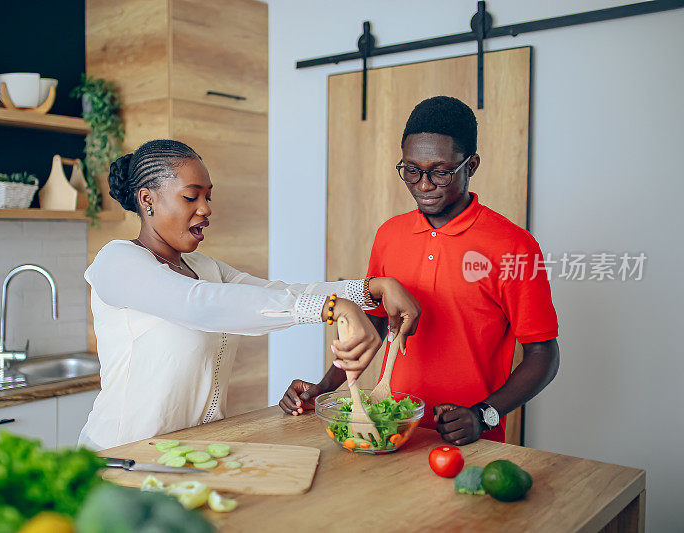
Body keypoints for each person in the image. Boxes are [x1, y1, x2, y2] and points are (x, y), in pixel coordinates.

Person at [79, 139, 420, 450]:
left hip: (190, 454)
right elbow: (197, 304)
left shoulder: (204, 268)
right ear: (147, 199)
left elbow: (280, 293)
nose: (206, 208)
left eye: (208, 196)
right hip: (119, 458)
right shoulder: (118, 261)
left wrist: (372, 288)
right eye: (191, 196)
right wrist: (335, 309)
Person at [279, 96, 560, 445]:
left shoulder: (515, 246)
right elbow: (376, 324)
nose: (424, 185)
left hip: (469, 439)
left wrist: (484, 414)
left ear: (471, 166)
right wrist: (322, 389)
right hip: (391, 430)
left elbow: (543, 355)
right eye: (411, 170)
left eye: (440, 172)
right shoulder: (389, 234)